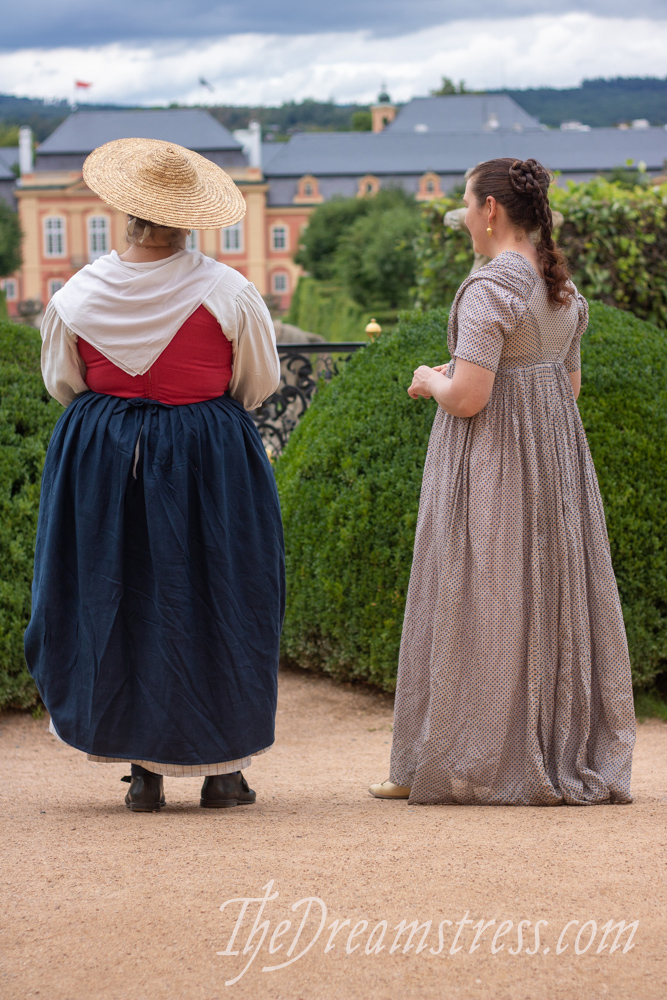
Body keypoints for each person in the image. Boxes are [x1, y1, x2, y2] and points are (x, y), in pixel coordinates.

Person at [25, 138, 285, 812]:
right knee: (218, 595)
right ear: (192, 220)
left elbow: (63, 381)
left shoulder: (77, 294)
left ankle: (142, 771)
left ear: (125, 213)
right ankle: (223, 772)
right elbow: (257, 383)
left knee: (118, 595)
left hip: (102, 458)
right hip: (206, 455)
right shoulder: (228, 291)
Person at [370, 157, 635, 806]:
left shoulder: (490, 288)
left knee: (471, 599)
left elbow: (466, 398)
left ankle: (445, 755)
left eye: (465, 204)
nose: (463, 218)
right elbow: (564, 385)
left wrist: (428, 377)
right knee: (542, 599)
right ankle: (537, 747)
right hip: (553, 466)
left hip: (491, 464)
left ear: (489, 211)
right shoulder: (560, 290)